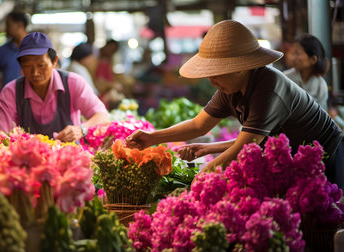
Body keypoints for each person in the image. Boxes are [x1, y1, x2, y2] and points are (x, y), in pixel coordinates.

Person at [126, 20, 344, 188]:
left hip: (328, 155)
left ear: (240, 67)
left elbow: (246, 146)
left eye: (217, 73)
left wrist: (203, 176)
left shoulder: (267, 88)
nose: (211, 81)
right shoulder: (229, 87)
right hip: (292, 152)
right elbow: (198, 125)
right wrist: (151, 138)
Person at [0, 32, 109, 142]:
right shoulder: (11, 92)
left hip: (70, 158)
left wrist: (81, 129)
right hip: (27, 159)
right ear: (20, 66)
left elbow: (102, 116)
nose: (35, 72)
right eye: (27, 65)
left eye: (41, 65)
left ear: (54, 62)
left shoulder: (73, 83)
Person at [284, 34, 329, 110]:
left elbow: (322, 116)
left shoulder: (320, 85)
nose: (293, 58)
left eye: (297, 54)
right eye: (294, 53)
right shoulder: (286, 78)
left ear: (313, 59)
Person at [0, 11, 28, 95]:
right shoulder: (3, 50)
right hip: (8, 98)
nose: (5, 29)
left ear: (20, 25)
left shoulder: (34, 48)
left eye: (8, 25)